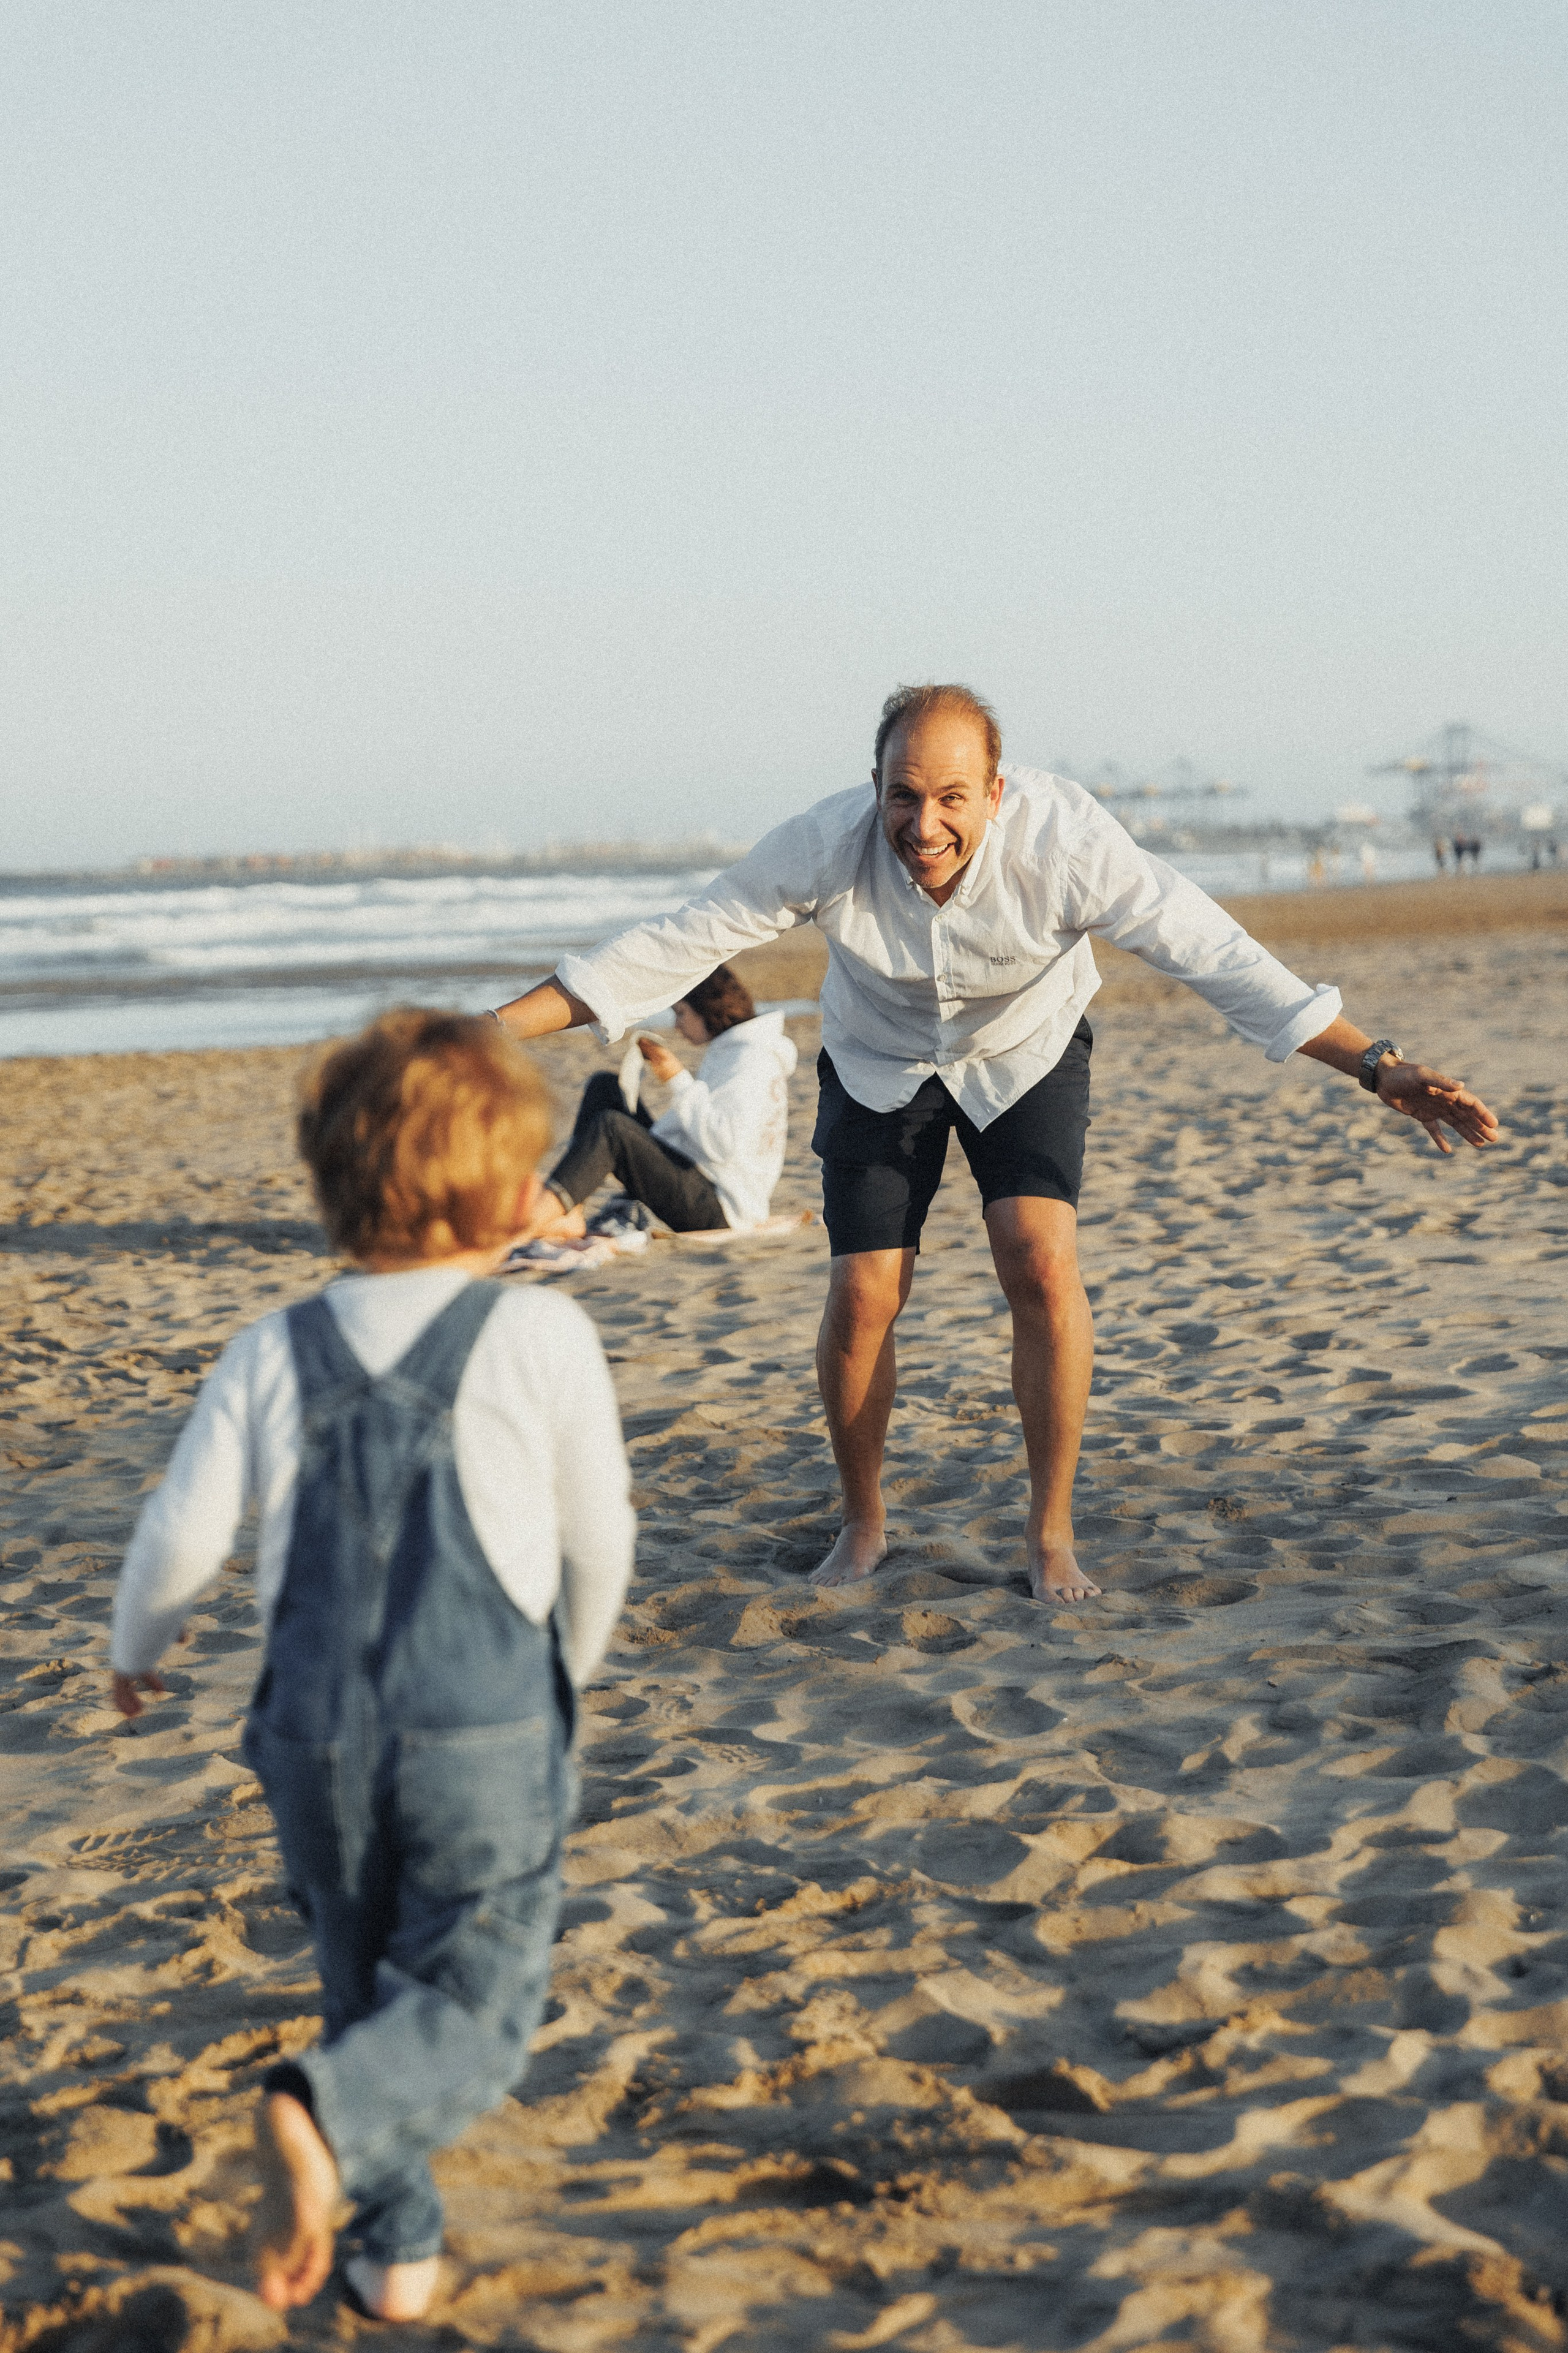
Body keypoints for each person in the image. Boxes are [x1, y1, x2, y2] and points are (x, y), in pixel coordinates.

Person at [492, 683, 1499, 1607]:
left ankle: (1051, 1532)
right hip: (880, 1060)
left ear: (996, 793)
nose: (922, 825)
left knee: (1040, 1260)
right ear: (874, 786)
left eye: (950, 798)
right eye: (901, 796)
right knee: (862, 1296)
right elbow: (670, 943)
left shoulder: (1067, 845)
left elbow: (1215, 954)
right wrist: (485, 1035)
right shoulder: (824, 844)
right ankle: (865, 1520)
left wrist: (1378, 1065)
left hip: (1027, 1051)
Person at [107, 1009, 634, 2320]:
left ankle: (390, 2262)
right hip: (484, 1721)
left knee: (362, 1980)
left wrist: (137, 1648)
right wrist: (560, 1677)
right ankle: (317, 2120)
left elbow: (182, 1529)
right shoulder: (538, 1337)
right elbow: (599, 1540)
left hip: (312, 1728)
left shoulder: (270, 1348)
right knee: (477, 1990)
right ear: (510, 1190)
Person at [522, 962, 797, 1242]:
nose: (677, 1025)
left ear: (707, 1009)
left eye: (681, 1013)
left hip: (722, 1208)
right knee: (604, 1087)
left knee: (612, 1129)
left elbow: (723, 1143)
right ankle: (570, 1211)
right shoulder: (736, 1049)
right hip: (702, 1175)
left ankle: (534, 1220)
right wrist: (644, 1149)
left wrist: (676, 1078)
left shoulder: (750, 1061)